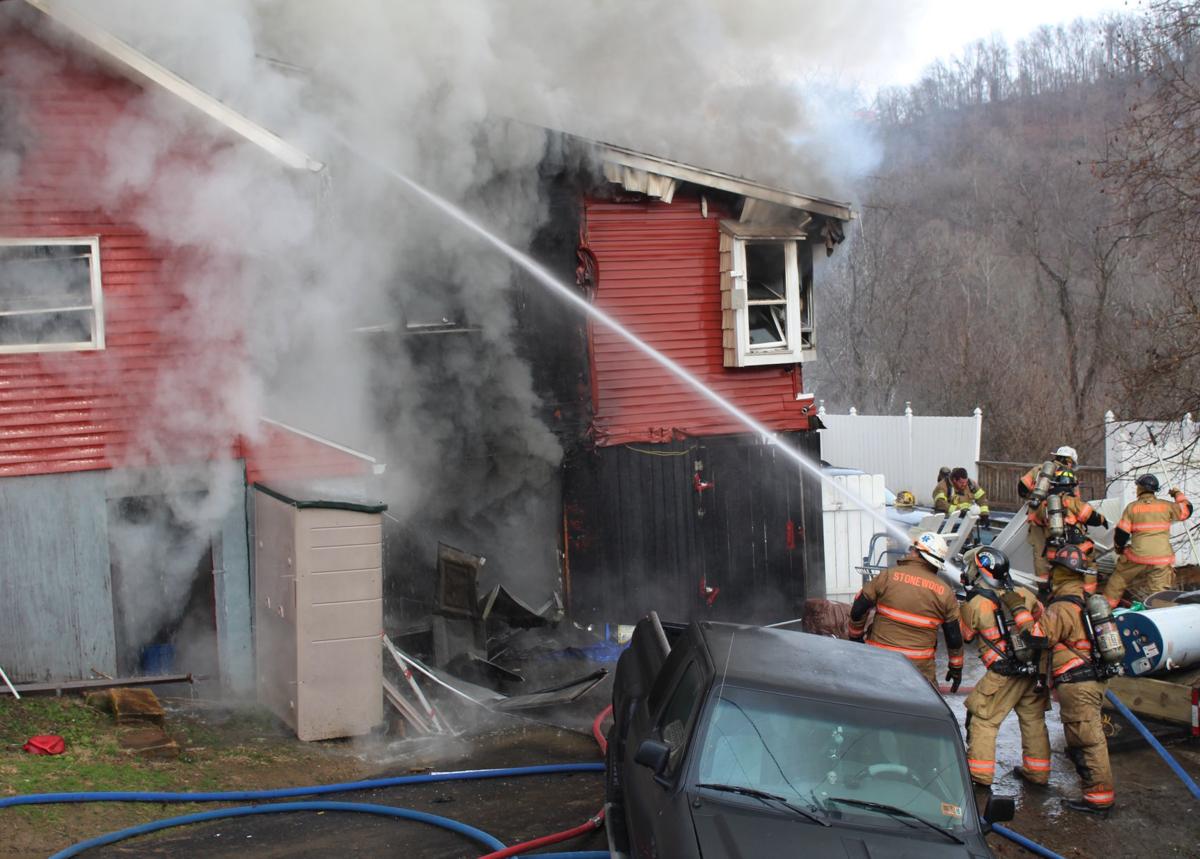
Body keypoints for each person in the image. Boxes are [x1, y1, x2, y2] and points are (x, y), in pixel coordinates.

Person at [958, 547, 1051, 789]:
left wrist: (966, 599)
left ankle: (980, 777)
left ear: (978, 572)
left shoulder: (976, 603)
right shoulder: (1023, 594)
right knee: (1033, 720)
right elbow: (1040, 617)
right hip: (1031, 671)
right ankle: (1038, 773)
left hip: (1003, 674)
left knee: (983, 720)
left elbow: (965, 635)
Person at [1039, 553, 1116, 815]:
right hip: (1091, 679)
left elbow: (1039, 638)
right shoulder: (1085, 601)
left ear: (1060, 575)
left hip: (1078, 683)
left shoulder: (1061, 607)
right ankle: (1097, 794)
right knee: (1086, 739)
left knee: (1087, 742)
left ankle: (1098, 799)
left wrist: (1020, 614)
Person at [848, 531, 964, 688]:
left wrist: (855, 637)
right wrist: (956, 667)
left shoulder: (888, 576)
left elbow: (858, 608)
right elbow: (954, 636)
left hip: (878, 660)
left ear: (915, 552)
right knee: (918, 708)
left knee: (874, 702)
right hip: (919, 668)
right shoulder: (945, 592)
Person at [1103, 474, 1192, 607]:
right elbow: (1187, 510)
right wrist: (1177, 493)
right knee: (1160, 594)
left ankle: (1105, 610)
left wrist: (1120, 548)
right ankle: (1162, 617)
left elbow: (1121, 534)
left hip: (1137, 557)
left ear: (1140, 488)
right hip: (1161, 559)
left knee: (1118, 581)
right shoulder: (1166, 506)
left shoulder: (1132, 508)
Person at [1028, 469, 1109, 596]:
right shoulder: (1070, 500)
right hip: (1077, 548)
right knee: (1090, 568)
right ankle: (1088, 596)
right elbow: (1090, 516)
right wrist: (1103, 520)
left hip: (1054, 550)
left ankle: (1057, 596)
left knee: (1059, 574)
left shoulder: (1044, 503)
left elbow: (1036, 520)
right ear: (1071, 485)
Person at [1018, 446, 1080, 584]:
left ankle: (1042, 586)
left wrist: (1034, 500)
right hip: (1059, 519)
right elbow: (1075, 502)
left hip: (1038, 519)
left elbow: (1021, 487)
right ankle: (1056, 583)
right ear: (1069, 460)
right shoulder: (1070, 475)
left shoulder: (1040, 469)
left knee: (1040, 554)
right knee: (1056, 550)